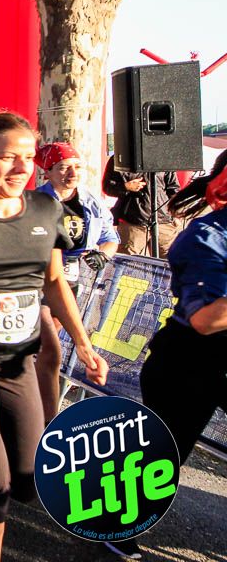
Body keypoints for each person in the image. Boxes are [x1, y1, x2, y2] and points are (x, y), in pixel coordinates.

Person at [0, 110, 107, 562]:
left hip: (18, 363)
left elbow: (52, 282)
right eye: (7, 158)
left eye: (28, 158)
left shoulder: (46, 209)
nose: (20, 168)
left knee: (30, 480)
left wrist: (83, 343)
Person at [137, 150, 227, 559]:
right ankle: (114, 526)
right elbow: (207, 319)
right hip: (188, 365)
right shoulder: (206, 235)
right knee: (162, 461)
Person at [36, 142, 118, 422]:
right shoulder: (38, 202)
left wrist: (102, 255)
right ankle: (47, 421)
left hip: (76, 283)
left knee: (46, 350)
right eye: (63, 168)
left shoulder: (90, 201)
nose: (72, 173)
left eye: (77, 166)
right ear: (47, 172)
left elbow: (111, 238)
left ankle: (34, 409)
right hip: (41, 284)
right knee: (51, 349)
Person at [102, 158, 180, 257]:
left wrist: (176, 213)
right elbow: (107, 187)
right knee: (130, 266)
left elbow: (173, 189)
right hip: (132, 223)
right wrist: (125, 187)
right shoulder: (120, 157)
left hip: (163, 222)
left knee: (170, 264)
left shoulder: (162, 156)